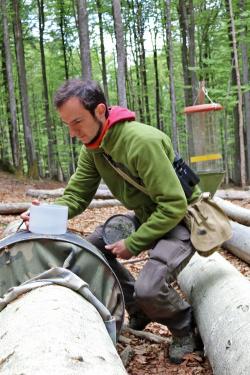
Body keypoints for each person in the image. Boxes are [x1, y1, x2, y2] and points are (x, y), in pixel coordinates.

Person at [21, 79, 202, 364]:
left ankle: (184, 328)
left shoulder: (142, 142)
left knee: (150, 287)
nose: (72, 132)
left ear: (101, 111)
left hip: (181, 221)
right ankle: (138, 309)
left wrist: (134, 243)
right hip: (147, 217)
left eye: (77, 121)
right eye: (67, 125)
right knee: (90, 249)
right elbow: (77, 196)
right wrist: (45, 214)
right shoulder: (93, 148)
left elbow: (174, 204)